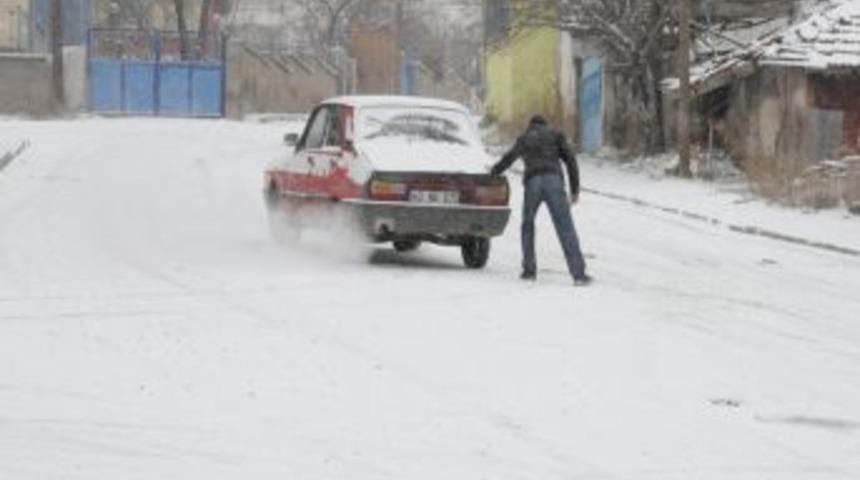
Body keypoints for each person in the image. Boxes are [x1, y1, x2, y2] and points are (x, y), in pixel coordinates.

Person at [490, 115, 592, 286]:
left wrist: (493, 173)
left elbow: (509, 158)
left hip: (533, 182)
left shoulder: (525, 139)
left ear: (530, 126)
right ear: (546, 124)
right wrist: (574, 189)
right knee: (565, 226)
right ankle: (579, 275)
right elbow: (570, 160)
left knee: (527, 225)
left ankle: (529, 271)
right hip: (553, 181)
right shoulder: (555, 135)